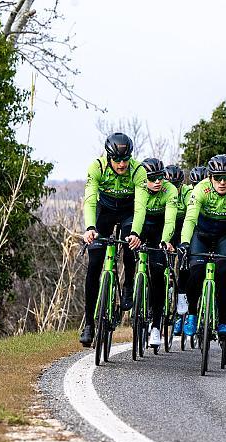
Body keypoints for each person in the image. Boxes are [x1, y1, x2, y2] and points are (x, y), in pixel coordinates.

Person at [80, 133, 148, 346]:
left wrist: (136, 233)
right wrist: (90, 228)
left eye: (125, 159)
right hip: (105, 211)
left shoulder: (138, 171)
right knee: (94, 266)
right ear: (108, 156)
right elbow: (90, 201)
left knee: (130, 246)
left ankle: (128, 285)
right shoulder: (97, 168)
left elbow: (140, 206)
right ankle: (89, 323)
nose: (121, 164)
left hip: (128, 211)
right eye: (117, 160)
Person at [177, 155, 226, 340]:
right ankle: (192, 315)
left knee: (225, 272)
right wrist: (185, 242)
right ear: (210, 177)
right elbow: (190, 218)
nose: (223, 182)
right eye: (218, 178)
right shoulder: (201, 188)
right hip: (201, 233)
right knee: (196, 271)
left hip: (225, 236)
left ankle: (223, 321)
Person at [137, 158, 178, 347]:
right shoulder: (137, 185)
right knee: (130, 257)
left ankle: (156, 326)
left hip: (160, 230)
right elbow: (136, 213)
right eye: (152, 178)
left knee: (157, 273)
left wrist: (165, 241)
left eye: (160, 177)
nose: (157, 182)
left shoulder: (170, 190)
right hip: (141, 226)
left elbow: (170, 220)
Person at [164, 165, 193, 335]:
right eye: (171, 184)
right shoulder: (163, 192)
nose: (174, 189)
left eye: (177, 185)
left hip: (183, 229)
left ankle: (181, 304)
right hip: (168, 228)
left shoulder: (188, 193)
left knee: (184, 266)